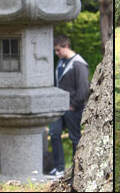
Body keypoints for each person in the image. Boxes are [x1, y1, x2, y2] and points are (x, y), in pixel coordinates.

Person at [46, 35, 90, 179]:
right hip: (58, 107)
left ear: (66, 47)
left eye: (58, 50)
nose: (56, 53)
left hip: (73, 108)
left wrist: (74, 105)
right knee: (54, 134)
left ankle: (76, 169)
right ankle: (58, 168)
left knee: (75, 137)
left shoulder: (78, 64)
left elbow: (83, 88)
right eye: (55, 51)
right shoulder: (61, 62)